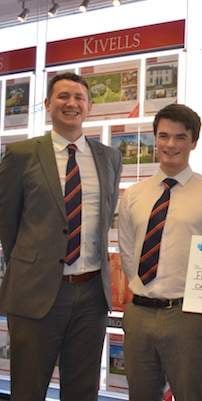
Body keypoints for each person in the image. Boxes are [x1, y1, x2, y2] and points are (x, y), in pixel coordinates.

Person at [0, 72, 122, 401]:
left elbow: (105, 214)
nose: (72, 103)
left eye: (79, 97)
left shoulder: (109, 157)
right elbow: (7, 222)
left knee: (83, 390)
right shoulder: (22, 154)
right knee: (28, 389)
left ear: (89, 106)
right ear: (48, 104)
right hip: (36, 292)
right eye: (63, 96)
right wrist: (33, 265)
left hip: (92, 295)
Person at [118, 103, 202, 401]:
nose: (170, 144)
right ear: (155, 138)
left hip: (188, 316)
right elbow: (127, 252)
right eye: (163, 136)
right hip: (139, 314)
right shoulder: (133, 195)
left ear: (193, 142)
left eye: (180, 137)